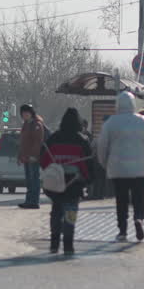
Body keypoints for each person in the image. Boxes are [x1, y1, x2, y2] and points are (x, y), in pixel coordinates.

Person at [97, 91, 144, 242]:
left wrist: (105, 163)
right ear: (133, 104)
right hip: (140, 169)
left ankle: (122, 230)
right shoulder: (143, 121)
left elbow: (102, 145)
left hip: (118, 169)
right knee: (139, 198)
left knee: (121, 200)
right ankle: (139, 219)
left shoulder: (111, 123)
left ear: (117, 105)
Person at [41, 108, 92, 255]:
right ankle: (68, 244)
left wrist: (51, 171)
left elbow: (44, 159)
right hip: (74, 183)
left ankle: (54, 243)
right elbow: (87, 165)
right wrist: (88, 180)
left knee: (56, 211)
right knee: (71, 212)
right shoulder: (81, 140)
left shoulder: (54, 138)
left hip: (56, 182)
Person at [17, 104, 46, 209]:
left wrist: (34, 155)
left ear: (31, 113)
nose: (24, 115)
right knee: (29, 181)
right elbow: (23, 142)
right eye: (23, 113)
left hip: (33, 157)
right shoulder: (26, 124)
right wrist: (20, 156)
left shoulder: (37, 124)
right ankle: (29, 201)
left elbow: (37, 142)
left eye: (26, 113)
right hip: (26, 157)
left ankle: (34, 201)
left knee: (34, 180)